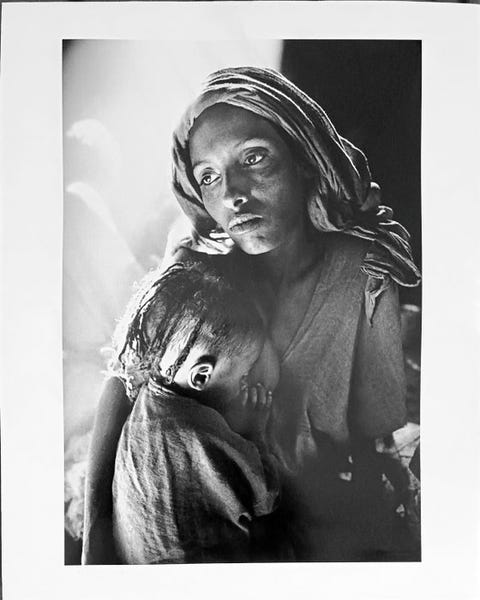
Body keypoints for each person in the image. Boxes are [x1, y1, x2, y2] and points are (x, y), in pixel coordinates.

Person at [83, 66, 421, 564]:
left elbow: (375, 435)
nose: (232, 194)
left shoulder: (363, 274)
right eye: (209, 177)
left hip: (298, 520)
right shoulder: (197, 267)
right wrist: (96, 526)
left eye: (254, 158)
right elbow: (128, 376)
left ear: (302, 159)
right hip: (195, 511)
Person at [108, 262, 281, 564]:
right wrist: (255, 434)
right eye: (242, 375)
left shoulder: (144, 406)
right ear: (201, 376)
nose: (245, 384)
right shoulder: (202, 434)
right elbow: (266, 497)